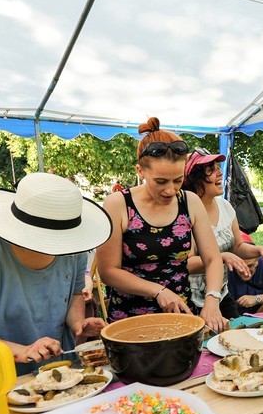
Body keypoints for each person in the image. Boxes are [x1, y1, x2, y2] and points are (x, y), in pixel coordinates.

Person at [0, 173, 113, 375]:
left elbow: (74, 294)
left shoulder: (74, 246)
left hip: (60, 372)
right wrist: (20, 351)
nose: (65, 246)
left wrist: (78, 323)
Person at [96, 118, 228, 334]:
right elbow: (108, 271)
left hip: (182, 317)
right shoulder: (118, 204)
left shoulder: (190, 201)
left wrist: (212, 300)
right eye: (160, 182)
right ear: (140, 171)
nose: (170, 190)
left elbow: (212, 258)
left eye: (177, 180)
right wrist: (158, 291)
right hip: (130, 321)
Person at [183, 148, 263, 319]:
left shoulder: (225, 207)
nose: (219, 173)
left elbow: (237, 246)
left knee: (233, 338)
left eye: (218, 167)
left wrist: (258, 250)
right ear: (195, 179)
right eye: (211, 170)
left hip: (220, 293)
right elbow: (186, 263)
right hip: (190, 299)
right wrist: (222, 257)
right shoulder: (185, 212)